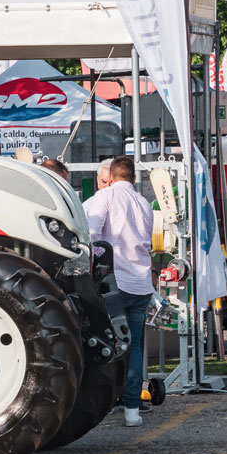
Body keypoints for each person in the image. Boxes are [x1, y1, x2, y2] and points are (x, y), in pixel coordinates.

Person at [84, 156, 154, 428]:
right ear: (134, 178)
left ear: (110, 177)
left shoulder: (106, 197)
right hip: (141, 283)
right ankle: (132, 409)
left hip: (114, 282)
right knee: (133, 346)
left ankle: (104, 400)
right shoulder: (144, 203)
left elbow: (92, 235)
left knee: (104, 344)